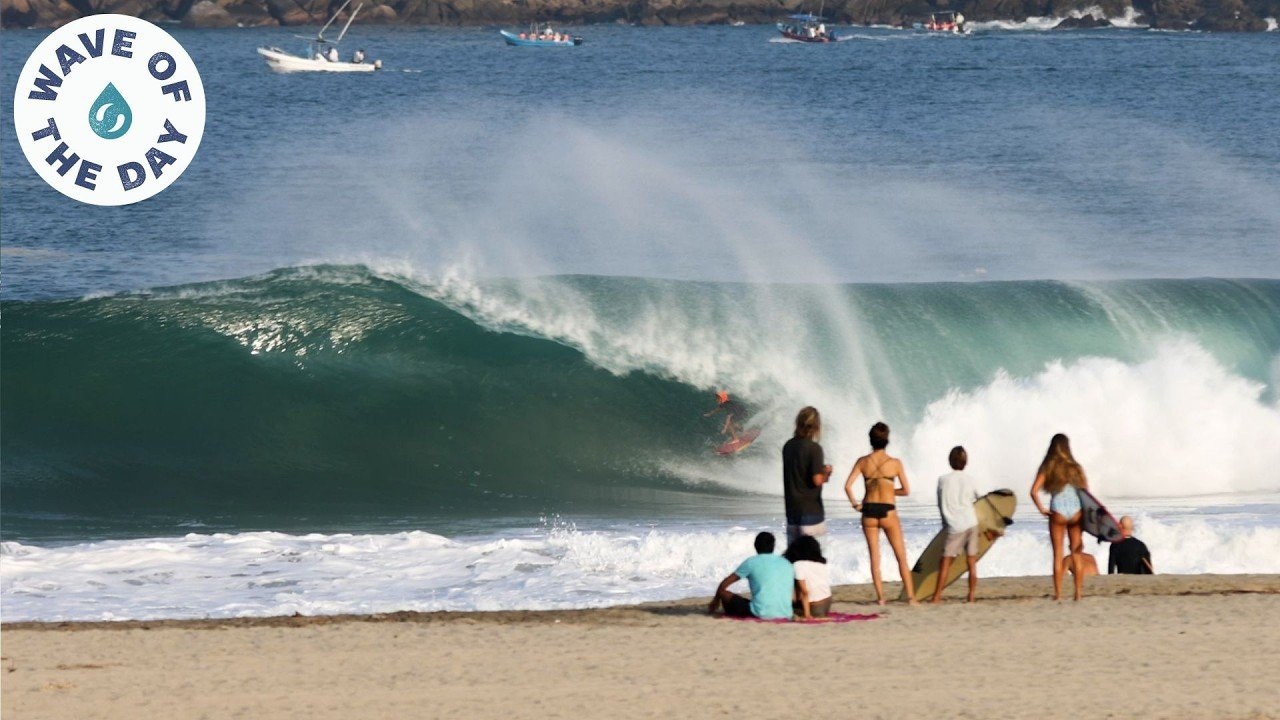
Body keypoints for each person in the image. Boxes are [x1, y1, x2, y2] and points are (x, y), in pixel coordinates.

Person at [845, 422, 918, 605]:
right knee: (900, 556)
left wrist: (855, 504)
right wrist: (890, 490)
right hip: (888, 512)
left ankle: (880, 598)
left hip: (868, 511)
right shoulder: (895, 463)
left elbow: (847, 486)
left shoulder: (862, 462)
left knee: (874, 557)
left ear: (871, 440)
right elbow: (906, 491)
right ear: (887, 440)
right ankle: (911, 597)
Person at [1029, 433, 1090, 601]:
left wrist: (1041, 509)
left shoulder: (1048, 466)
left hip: (1058, 511)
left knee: (1058, 554)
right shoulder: (1075, 467)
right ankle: (1078, 594)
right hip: (1076, 511)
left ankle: (1058, 594)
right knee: (1076, 553)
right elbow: (1086, 493)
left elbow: (1033, 491)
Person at [932, 446, 982, 604]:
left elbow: (940, 503)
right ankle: (971, 595)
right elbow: (981, 500)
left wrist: (944, 523)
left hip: (954, 525)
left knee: (945, 561)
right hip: (971, 522)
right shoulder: (971, 480)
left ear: (950, 461)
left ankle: (937, 597)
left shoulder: (942, 480)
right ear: (965, 462)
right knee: (971, 561)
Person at [708, 532, 795, 620]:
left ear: (755, 546)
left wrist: (716, 600)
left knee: (724, 594)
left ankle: (730, 613)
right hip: (786, 613)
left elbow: (725, 583)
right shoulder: (786, 563)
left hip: (760, 613)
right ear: (773, 546)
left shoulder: (751, 562)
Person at [782, 406, 833, 544]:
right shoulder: (814, 448)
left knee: (794, 554)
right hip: (811, 511)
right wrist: (826, 472)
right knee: (814, 555)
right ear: (816, 426)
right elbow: (817, 480)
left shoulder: (788, 446)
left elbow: (798, 471)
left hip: (792, 511)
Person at [784, 535, 831, 619]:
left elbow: (804, 592)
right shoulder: (821, 564)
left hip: (814, 607)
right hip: (827, 603)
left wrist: (807, 614)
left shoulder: (798, 565)